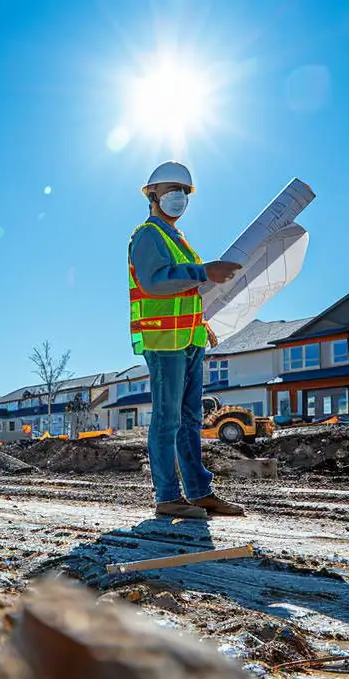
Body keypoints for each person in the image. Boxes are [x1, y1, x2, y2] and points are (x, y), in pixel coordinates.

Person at [128, 161, 246, 519]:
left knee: (190, 419)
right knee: (168, 419)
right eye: (171, 191)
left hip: (189, 337)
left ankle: (199, 492)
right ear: (153, 195)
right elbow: (155, 281)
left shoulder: (178, 240)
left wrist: (202, 322)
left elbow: (184, 291)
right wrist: (204, 271)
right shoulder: (148, 235)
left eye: (183, 193)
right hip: (164, 340)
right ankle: (167, 497)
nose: (178, 198)